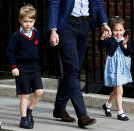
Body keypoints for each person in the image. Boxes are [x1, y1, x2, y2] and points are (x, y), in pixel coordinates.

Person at [47, 0, 111, 128]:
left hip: (84, 25)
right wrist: (53, 30)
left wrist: (104, 23)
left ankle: (59, 108)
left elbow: (97, 2)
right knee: (73, 68)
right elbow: (54, 4)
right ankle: (82, 114)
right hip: (66, 25)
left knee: (72, 71)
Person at [6, 4, 43, 129]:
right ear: (20, 20)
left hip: (35, 68)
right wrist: (13, 67)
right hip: (21, 69)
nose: (28, 24)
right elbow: (10, 52)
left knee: (39, 92)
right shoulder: (16, 36)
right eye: (25, 21)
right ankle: (23, 119)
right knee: (25, 95)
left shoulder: (37, 34)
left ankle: (29, 112)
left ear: (34, 21)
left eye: (31, 21)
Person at [99, 17, 133, 121]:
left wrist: (125, 46)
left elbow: (129, 52)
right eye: (116, 30)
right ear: (112, 30)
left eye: (120, 30)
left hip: (123, 67)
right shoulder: (110, 40)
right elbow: (100, 47)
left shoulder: (125, 40)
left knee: (117, 89)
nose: (118, 33)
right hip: (113, 66)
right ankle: (120, 112)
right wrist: (102, 38)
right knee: (119, 89)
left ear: (124, 30)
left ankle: (107, 105)